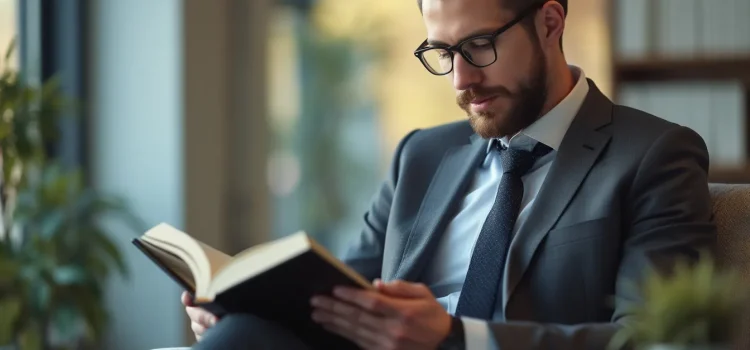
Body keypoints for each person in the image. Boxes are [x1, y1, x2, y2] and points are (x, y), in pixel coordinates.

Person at [184, 0, 717, 348]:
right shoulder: (420, 155)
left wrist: (459, 336)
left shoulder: (654, 154)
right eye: (442, 52)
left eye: (479, 46)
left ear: (550, 24)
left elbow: (656, 339)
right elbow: (336, 295)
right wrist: (245, 309)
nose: (462, 78)